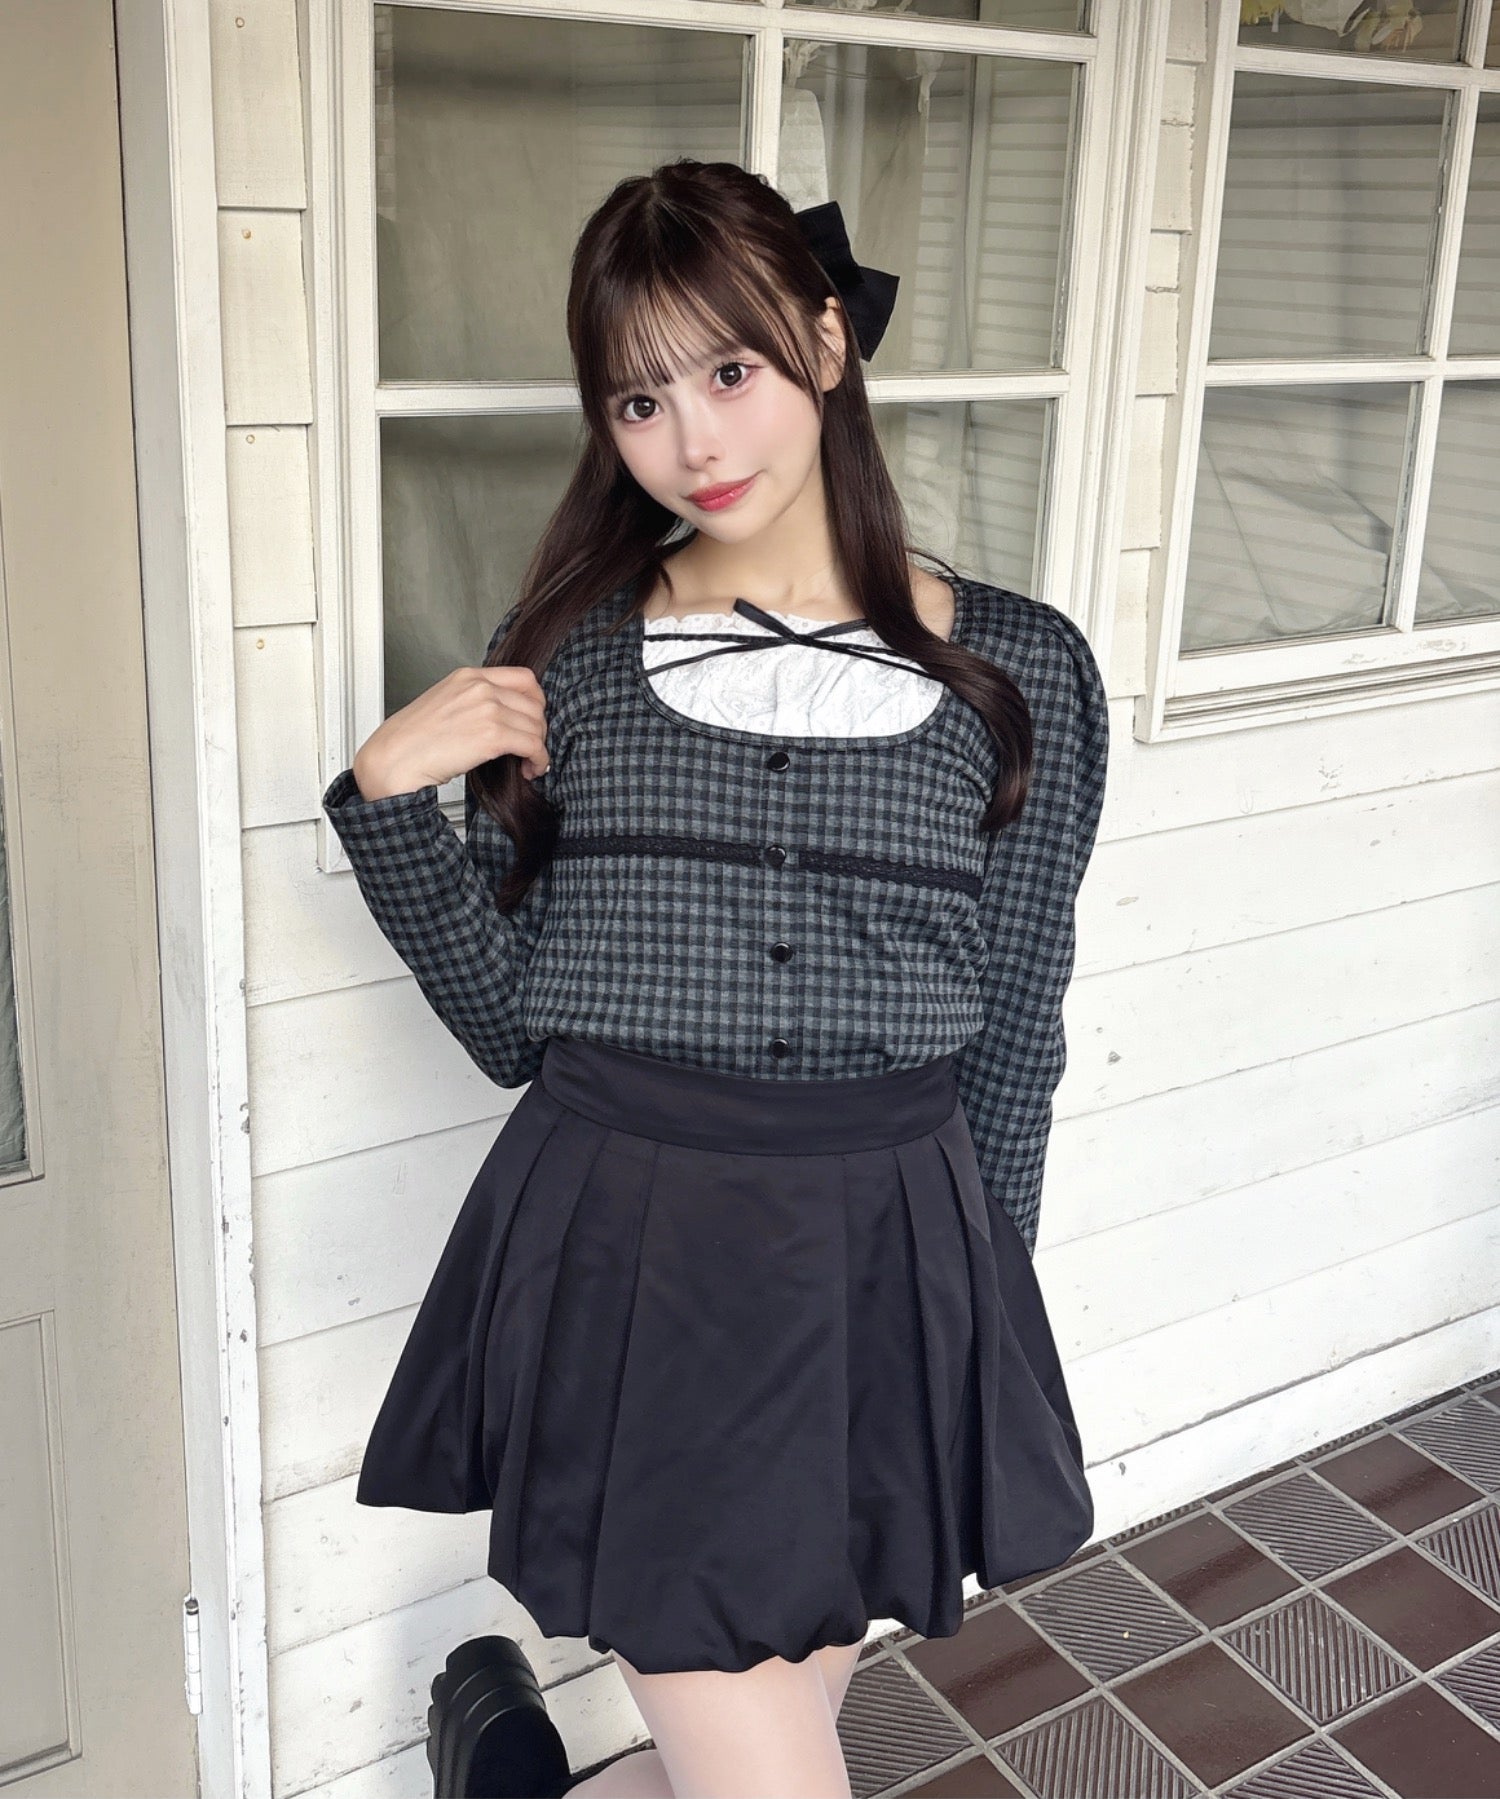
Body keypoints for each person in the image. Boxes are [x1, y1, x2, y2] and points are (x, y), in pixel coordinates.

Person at [322, 158, 1109, 1799]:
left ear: (825, 343)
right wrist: (390, 804)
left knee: (764, 1731)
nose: (694, 441)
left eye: (731, 371)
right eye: (640, 399)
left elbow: (1016, 1026)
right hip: (638, 1256)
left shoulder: (1020, 669)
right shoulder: (577, 655)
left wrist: (975, 1317)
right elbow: (511, 1026)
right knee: (762, 1754)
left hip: (888, 1260)